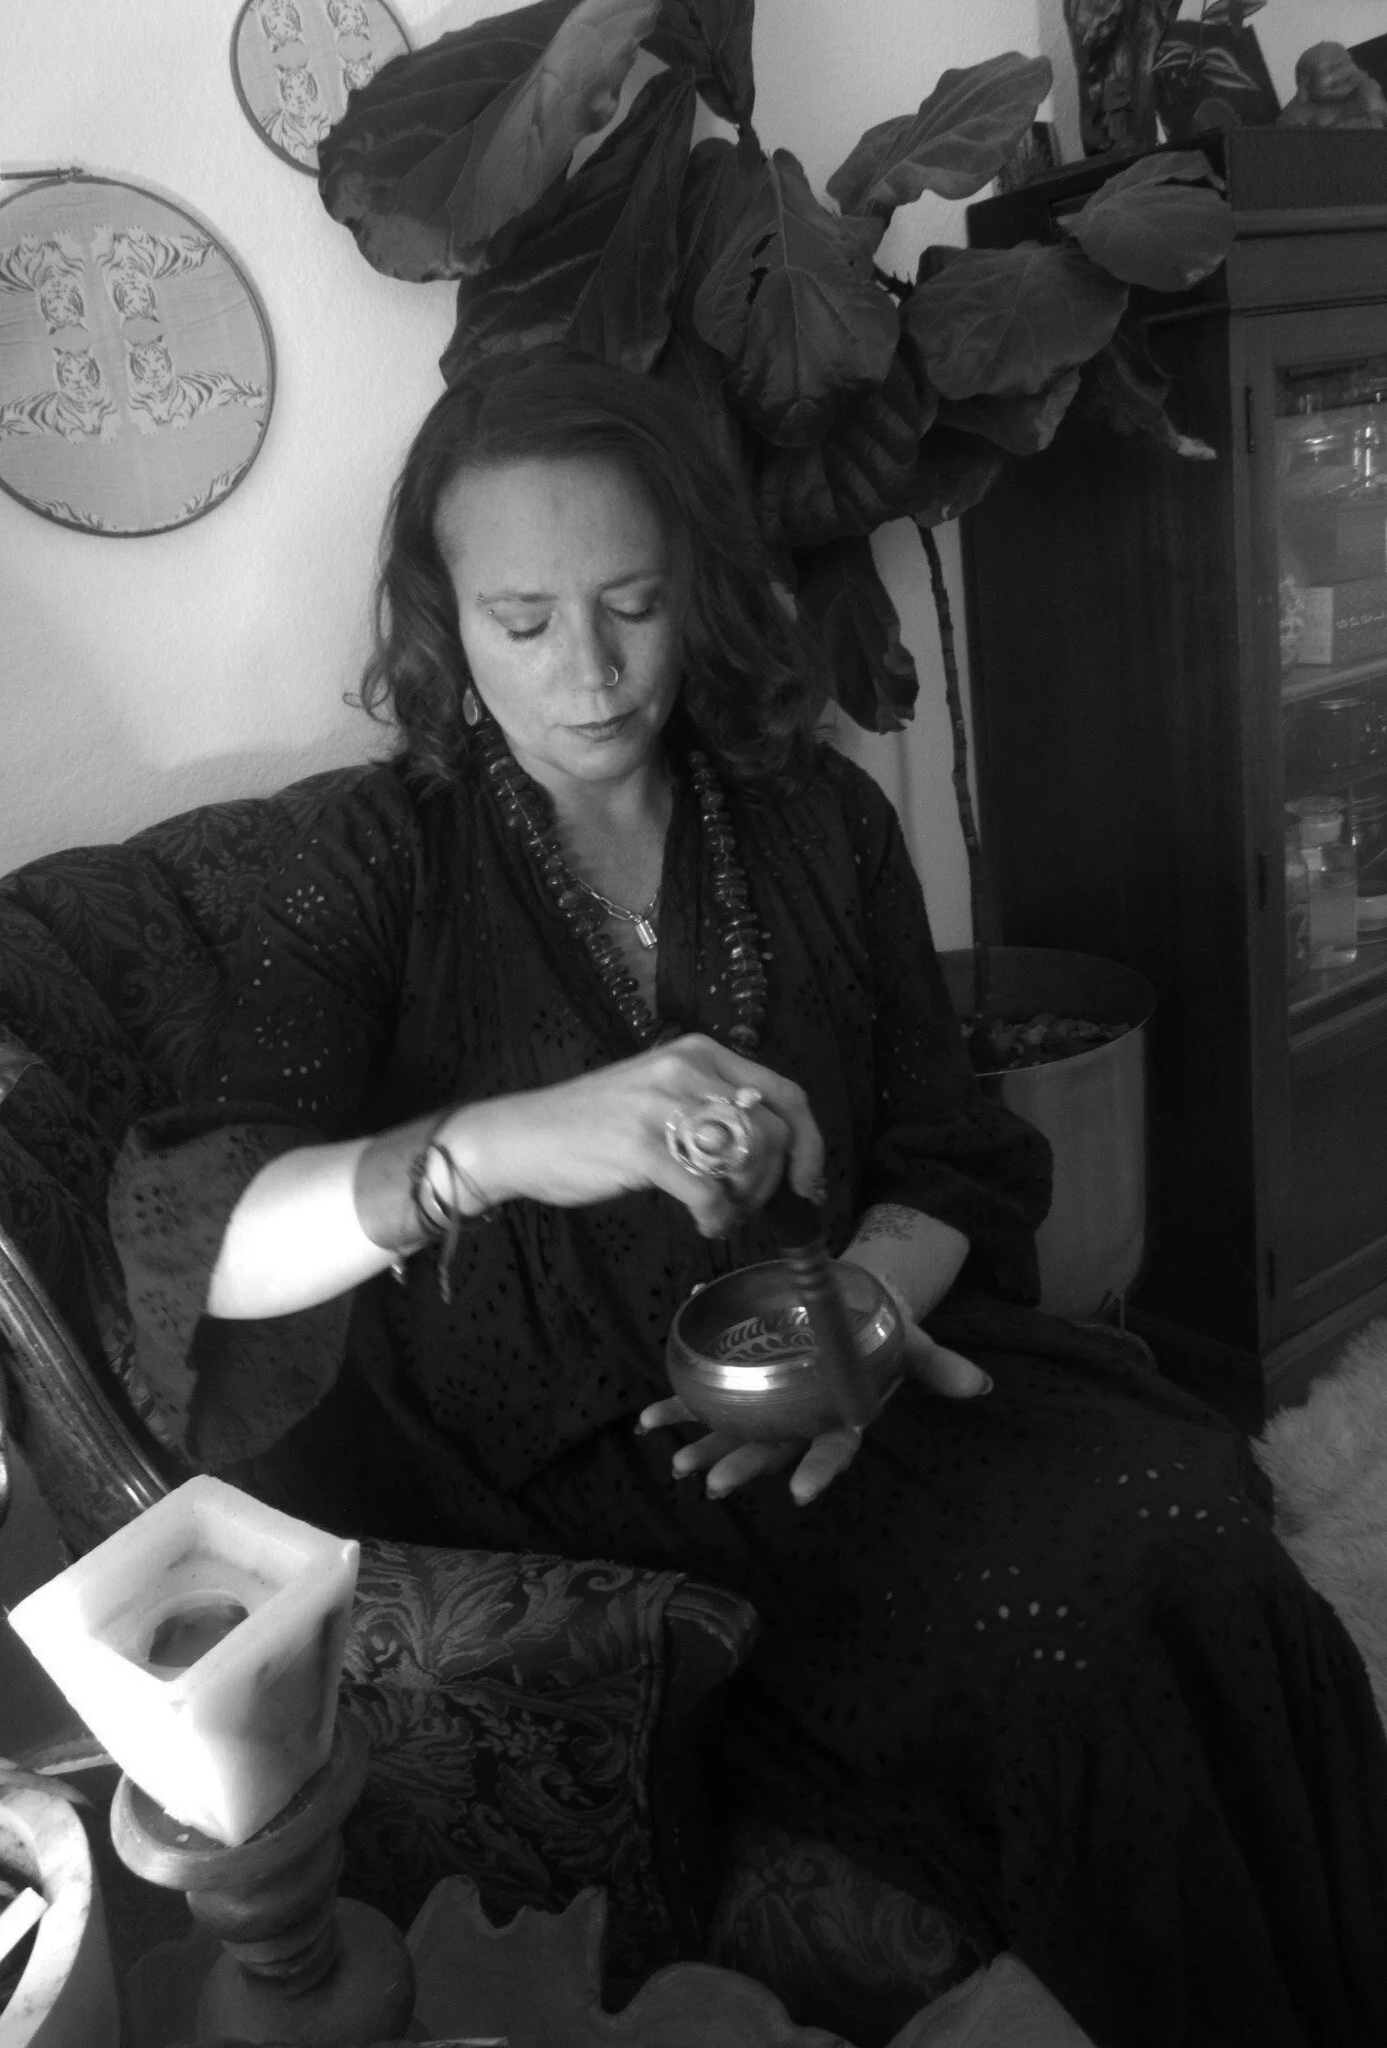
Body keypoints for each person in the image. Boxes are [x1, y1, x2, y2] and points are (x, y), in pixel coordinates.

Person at [111, 353, 1387, 2048]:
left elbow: (950, 1153)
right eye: (522, 618)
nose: (588, 672)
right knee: (1071, 1626)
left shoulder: (812, 818)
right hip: (573, 1474)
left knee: (1196, 1523)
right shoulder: (365, 865)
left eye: (634, 604)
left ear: (699, 586)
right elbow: (201, 1246)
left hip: (841, 1360)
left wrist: (866, 1304)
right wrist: (485, 1148)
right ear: (441, 616)